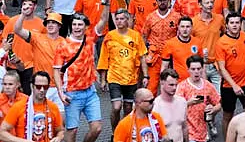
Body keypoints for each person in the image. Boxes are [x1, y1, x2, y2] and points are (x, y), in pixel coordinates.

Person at [53, 8, 109, 142]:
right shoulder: (63, 45)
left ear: (85, 27)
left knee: (97, 128)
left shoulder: (89, 39)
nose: (77, 27)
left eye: (80, 24)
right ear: (70, 26)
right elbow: (56, 70)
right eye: (74, 24)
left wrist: (106, 4)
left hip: (90, 92)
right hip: (72, 94)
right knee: (72, 131)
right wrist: (61, 93)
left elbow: (103, 20)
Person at [97, 9, 149, 133]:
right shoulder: (110, 36)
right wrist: (103, 80)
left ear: (127, 20)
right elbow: (104, 58)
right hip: (114, 77)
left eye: (122, 19)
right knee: (116, 107)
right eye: (117, 19)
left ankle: (125, 132)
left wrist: (146, 76)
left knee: (128, 107)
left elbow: (142, 57)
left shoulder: (135, 36)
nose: (119, 21)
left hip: (131, 78)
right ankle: (114, 132)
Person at [13, 8, 65, 115]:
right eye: (48, 23)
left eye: (54, 23)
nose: (50, 25)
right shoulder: (37, 37)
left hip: (59, 87)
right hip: (41, 86)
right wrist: (23, 14)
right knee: (39, 120)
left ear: (59, 26)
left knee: (61, 121)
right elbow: (17, 30)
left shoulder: (64, 42)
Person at [214, 12, 245, 138]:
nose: (235, 25)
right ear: (227, 25)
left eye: (237, 22)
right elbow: (221, 68)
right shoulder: (221, 43)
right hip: (229, 85)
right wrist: (234, 85)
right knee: (227, 115)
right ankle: (227, 139)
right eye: (232, 23)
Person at [0, 71, 64, 142]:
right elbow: (2, 133)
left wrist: (58, 138)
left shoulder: (53, 107)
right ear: (32, 86)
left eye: (45, 87)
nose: (42, 90)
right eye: (38, 87)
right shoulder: (19, 106)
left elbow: (60, 131)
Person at [2, 0, 43, 95]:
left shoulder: (41, 24)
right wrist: (8, 56)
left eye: (30, 5)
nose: (27, 7)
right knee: (10, 93)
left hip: (30, 65)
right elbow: (5, 41)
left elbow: (43, 45)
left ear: (35, 7)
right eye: (25, 4)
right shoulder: (12, 21)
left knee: (27, 93)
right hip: (13, 64)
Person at [141, 0, 180, 95]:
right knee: (151, 88)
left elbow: (180, 35)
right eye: (160, 0)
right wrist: (144, 54)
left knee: (172, 87)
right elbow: (144, 36)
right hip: (155, 56)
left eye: (165, 0)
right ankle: (149, 110)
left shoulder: (176, 17)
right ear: (156, 1)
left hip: (171, 57)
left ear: (169, 1)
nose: (162, 2)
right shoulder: (150, 17)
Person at [176, 55, 221, 142]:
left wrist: (213, 109)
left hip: (203, 132)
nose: (196, 72)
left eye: (198, 68)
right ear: (188, 70)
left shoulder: (207, 85)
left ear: (202, 69)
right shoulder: (182, 86)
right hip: (188, 132)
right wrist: (189, 102)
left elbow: (218, 103)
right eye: (193, 69)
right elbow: (176, 107)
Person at [160, 16, 203, 81]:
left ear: (191, 28)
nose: (185, 29)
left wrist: (204, 83)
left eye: (187, 27)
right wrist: (163, 84)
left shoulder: (197, 42)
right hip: (177, 82)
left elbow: (202, 65)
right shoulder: (170, 44)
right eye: (182, 26)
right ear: (178, 27)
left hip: (194, 81)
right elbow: (164, 66)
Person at [153, 69, 188, 142]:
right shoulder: (155, 106)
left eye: (176, 85)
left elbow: (184, 127)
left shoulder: (182, 102)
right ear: (162, 83)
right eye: (171, 85)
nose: (174, 88)